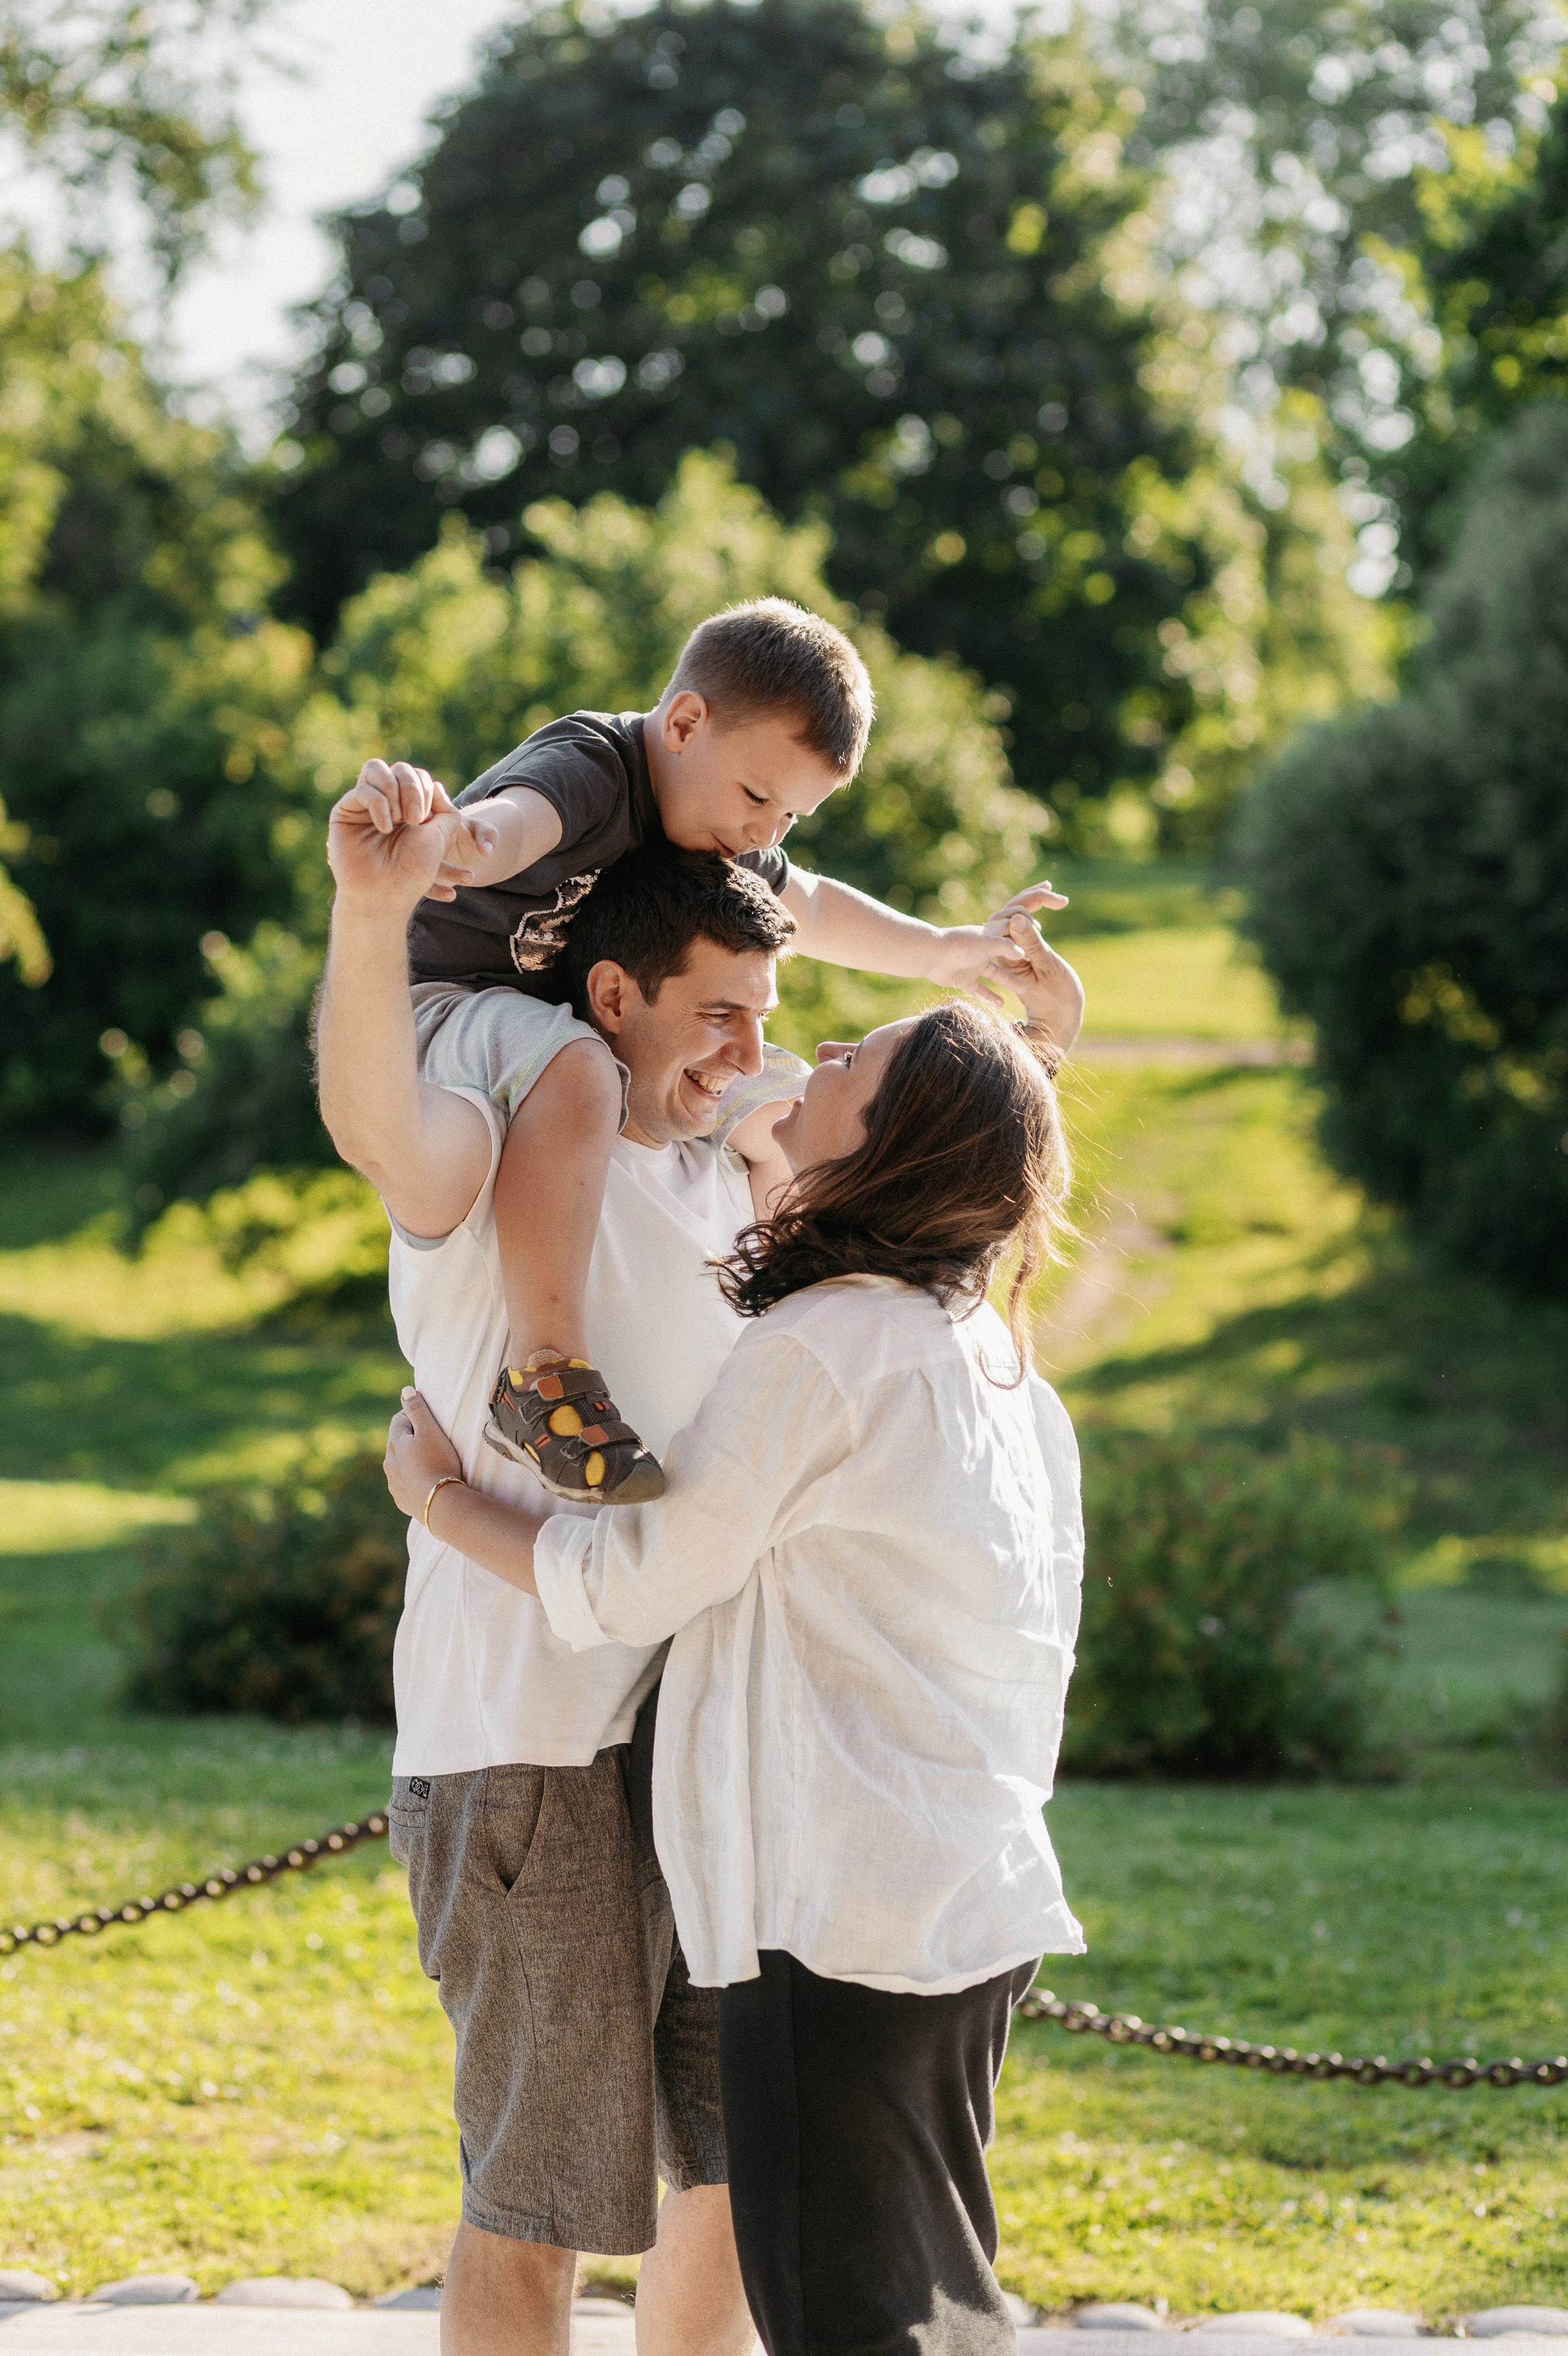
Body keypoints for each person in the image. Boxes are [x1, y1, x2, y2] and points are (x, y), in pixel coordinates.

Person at [382, 920, 1088, 2356]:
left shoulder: (825, 1342)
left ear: (884, 1148)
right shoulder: (1002, 1365)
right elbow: (950, 1134)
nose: (800, 1054)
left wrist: (447, 1502)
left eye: (850, 1060)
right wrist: (1025, 1040)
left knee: (853, 2308)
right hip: (951, 1895)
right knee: (926, 2297)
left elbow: (636, 1569)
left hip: (834, 1903)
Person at [317, 803, 811, 2356]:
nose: (740, 1051)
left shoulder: (727, 1178)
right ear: (613, 997)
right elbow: (382, 1129)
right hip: (526, 1744)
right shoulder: (512, 1123)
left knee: (740, 2178)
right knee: (542, 2205)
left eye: (761, 1020)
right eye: (712, 1015)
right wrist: (371, 916)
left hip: (711, 1742)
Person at [337, 597, 1064, 1506]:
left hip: (550, 1029)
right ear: (683, 723)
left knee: (786, 1092)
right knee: (578, 1070)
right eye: (759, 798)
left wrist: (949, 952)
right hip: (442, 1007)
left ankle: (820, 1268)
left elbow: (821, 905)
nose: (765, 834)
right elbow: (520, 819)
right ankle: (543, 1374)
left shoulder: (719, 825)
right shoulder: (598, 767)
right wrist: (457, 842)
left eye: (792, 816)